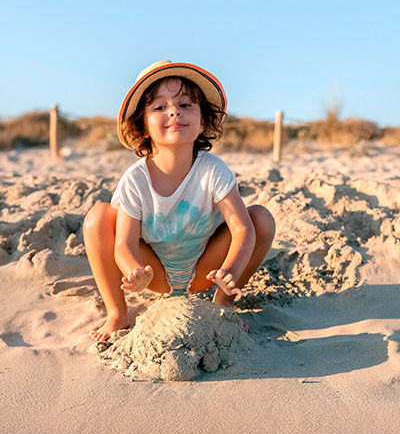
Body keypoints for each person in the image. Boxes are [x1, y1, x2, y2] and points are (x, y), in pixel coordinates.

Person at [83, 60, 276, 342]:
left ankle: (223, 305)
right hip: (155, 274)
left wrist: (231, 272)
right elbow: (124, 243)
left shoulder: (213, 169)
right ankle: (117, 313)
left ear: (202, 122)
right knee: (97, 217)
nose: (174, 111)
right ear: (143, 126)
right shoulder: (136, 179)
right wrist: (134, 271)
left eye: (185, 105)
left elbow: (242, 229)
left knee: (261, 218)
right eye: (159, 107)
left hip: (205, 271)